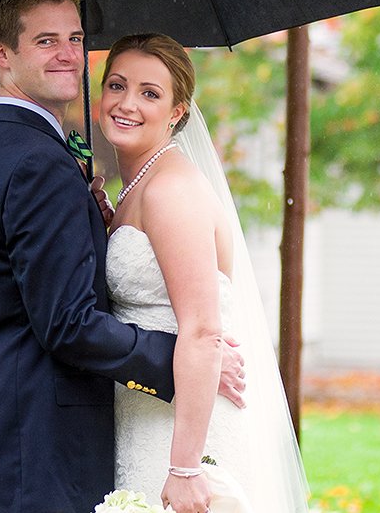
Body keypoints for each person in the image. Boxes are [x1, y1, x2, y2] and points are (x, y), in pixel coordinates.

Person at [0, 0, 246, 513]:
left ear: (177, 111)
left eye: (76, 38)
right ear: (1, 54)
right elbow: (67, 324)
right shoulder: (39, 164)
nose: (68, 55)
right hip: (36, 458)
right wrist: (182, 360)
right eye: (46, 41)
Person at [100, 33, 309, 513]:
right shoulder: (139, 184)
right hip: (147, 410)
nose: (127, 103)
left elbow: (202, 329)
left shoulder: (172, 189)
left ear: (177, 112)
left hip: (185, 430)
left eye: (150, 93)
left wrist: (186, 468)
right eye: (117, 85)